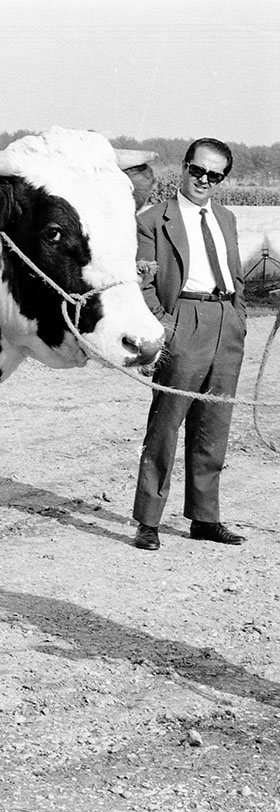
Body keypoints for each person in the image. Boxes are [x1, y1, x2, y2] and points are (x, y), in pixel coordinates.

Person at [132, 138, 248, 550]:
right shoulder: (152, 221)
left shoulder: (227, 218)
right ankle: (148, 522)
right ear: (184, 167)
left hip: (225, 324)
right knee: (165, 426)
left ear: (222, 180)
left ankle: (205, 518)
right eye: (198, 170)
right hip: (182, 320)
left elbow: (236, 274)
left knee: (214, 427)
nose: (204, 180)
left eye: (214, 175)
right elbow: (142, 282)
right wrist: (166, 327)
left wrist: (239, 319)